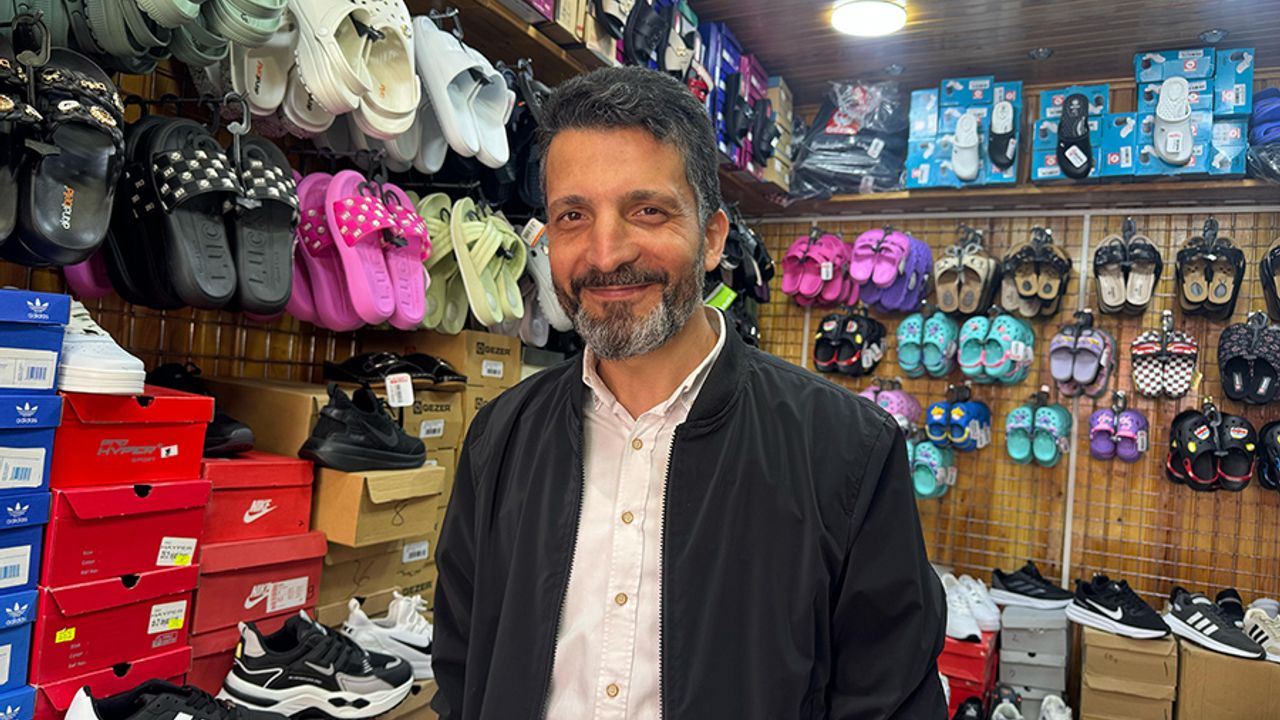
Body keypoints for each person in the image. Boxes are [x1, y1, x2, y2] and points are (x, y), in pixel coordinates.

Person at [432, 65, 946, 720]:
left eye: (646, 211)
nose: (606, 253)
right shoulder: (500, 436)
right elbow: (461, 667)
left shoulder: (848, 450)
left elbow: (891, 699)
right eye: (573, 216)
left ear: (711, 239)